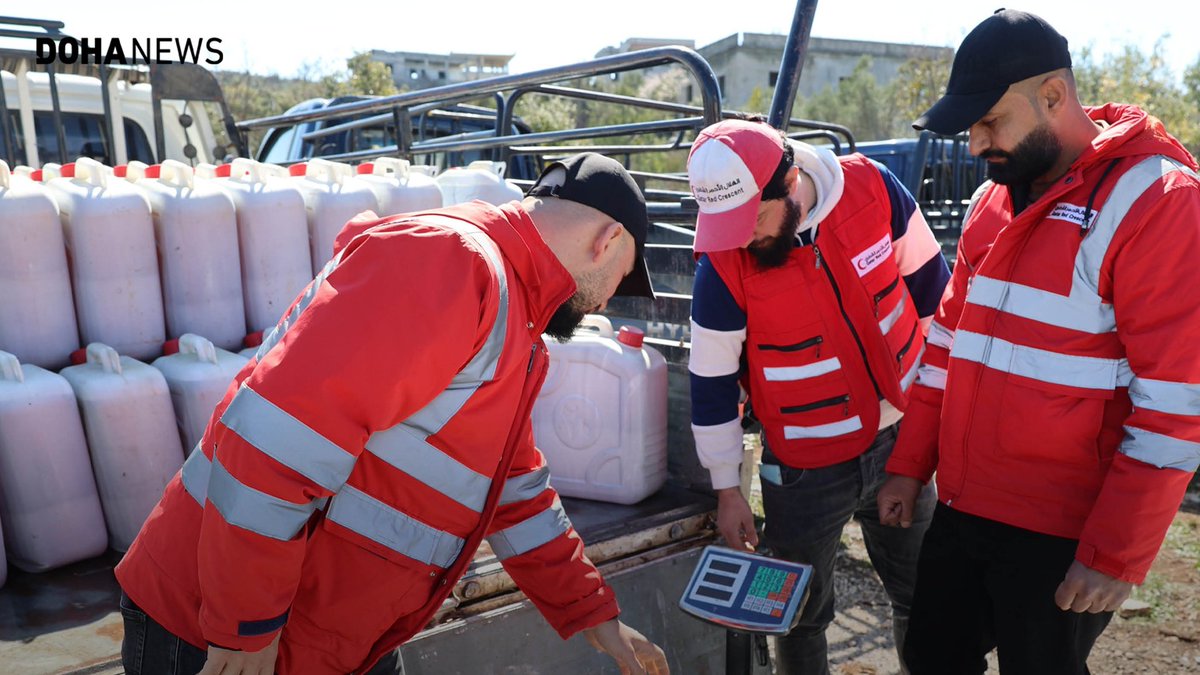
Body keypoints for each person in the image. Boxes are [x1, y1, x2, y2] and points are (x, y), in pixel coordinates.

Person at [115, 152, 671, 675]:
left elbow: (515, 489)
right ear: (608, 240)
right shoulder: (453, 265)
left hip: (324, 638)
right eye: (622, 281)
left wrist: (591, 612)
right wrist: (246, 625)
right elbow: (274, 445)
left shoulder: (512, 315)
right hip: (219, 632)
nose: (603, 304)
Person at [876, 9, 1200, 675]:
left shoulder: (1159, 200)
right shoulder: (991, 202)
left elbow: (1176, 405)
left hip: (1062, 529)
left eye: (989, 122)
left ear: (1053, 95)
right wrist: (911, 463)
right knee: (930, 656)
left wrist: (1115, 554)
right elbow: (947, 347)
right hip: (965, 507)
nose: (974, 145)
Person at [686, 117, 951, 674]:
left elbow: (933, 294)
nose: (741, 238)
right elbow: (709, 384)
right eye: (725, 226)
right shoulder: (721, 265)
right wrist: (727, 490)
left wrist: (937, 416)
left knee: (926, 595)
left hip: (903, 438)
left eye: (752, 219)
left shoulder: (874, 188)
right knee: (799, 615)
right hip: (802, 467)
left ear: (788, 181)